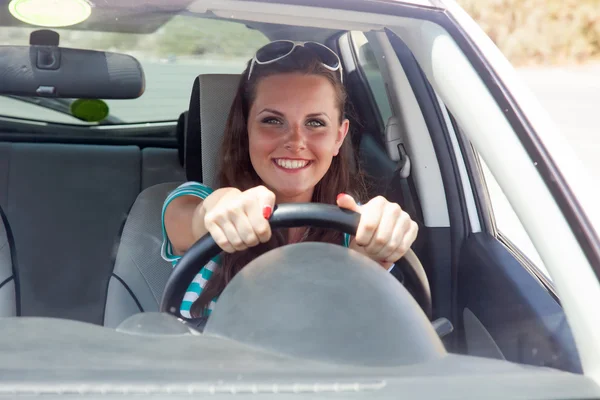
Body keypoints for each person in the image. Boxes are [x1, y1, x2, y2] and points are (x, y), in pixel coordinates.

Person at [162, 41, 418, 319]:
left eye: (315, 123)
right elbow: (190, 219)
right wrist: (218, 213)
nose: (295, 142)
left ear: (339, 137)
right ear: (246, 128)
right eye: (273, 121)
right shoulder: (197, 202)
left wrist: (376, 248)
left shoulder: (357, 229)